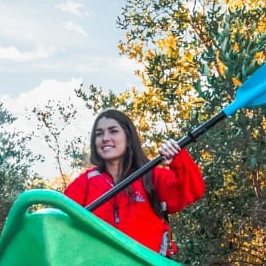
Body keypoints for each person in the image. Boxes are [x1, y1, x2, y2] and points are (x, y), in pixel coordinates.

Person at [63, 109, 205, 256]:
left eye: (113, 131)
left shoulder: (151, 176)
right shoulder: (86, 181)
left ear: (128, 138)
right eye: (99, 134)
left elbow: (193, 189)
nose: (105, 138)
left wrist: (178, 158)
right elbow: (61, 217)